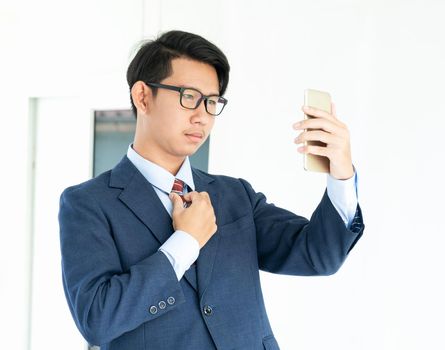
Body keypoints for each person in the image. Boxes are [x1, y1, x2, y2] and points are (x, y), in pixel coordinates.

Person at [58, 30, 364, 350]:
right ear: (143, 96)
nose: (202, 115)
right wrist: (185, 242)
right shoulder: (87, 204)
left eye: (212, 101)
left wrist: (341, 173)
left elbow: (320, 256)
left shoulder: (235, 196)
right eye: (188, 96)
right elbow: (97, 319)